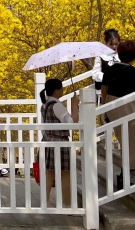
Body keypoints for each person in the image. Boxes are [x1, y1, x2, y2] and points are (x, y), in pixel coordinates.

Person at [102, 40, 135, 187]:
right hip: (128, 107)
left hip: (112, 106)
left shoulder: (110, 70)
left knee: (126, 141)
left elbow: (104, 90)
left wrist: (106, 108)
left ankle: (125, 174)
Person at [40, 79, 79, 207]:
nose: (63, 90)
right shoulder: (56, 105)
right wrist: (75, 105)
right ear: (56, 90)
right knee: (65, 173)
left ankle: (44, 202)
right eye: (61, 88)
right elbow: (72, 123)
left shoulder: (45, 104)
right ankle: (67, 203)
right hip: (60, 142)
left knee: (49, 173)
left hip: (48, 141)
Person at [92, 29, 121, 100]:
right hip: (106, 90)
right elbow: (95, 73)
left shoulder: (122, 54)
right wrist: (107, 77)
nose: (114, 47)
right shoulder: (101, 56)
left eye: (116, 44)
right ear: (106, 44)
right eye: (111, 44)